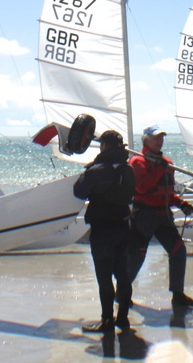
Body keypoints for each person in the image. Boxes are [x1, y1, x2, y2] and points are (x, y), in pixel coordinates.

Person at [127, 125, 193, 311]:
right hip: (144, 215)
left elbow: (168, 191)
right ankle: (122, 293)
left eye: (161, 137)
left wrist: (181, 203)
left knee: (178, 250)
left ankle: (178, 296)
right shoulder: (137, 162)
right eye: (155, 138)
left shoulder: (167, 163)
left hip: (162, 215)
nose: (159, 141)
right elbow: (142, 188)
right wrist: (160, 169)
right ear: (146, 140)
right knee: (137, 256)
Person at [73, 129, 136, 333]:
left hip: (102, 230)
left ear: (105, 147)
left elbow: (79, 191)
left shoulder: (97, 170)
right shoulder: (128, 170)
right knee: (123, 275)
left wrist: (89, 170)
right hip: (122, 227)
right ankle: (123, 319)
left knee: (104, 276)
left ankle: (107, 320)